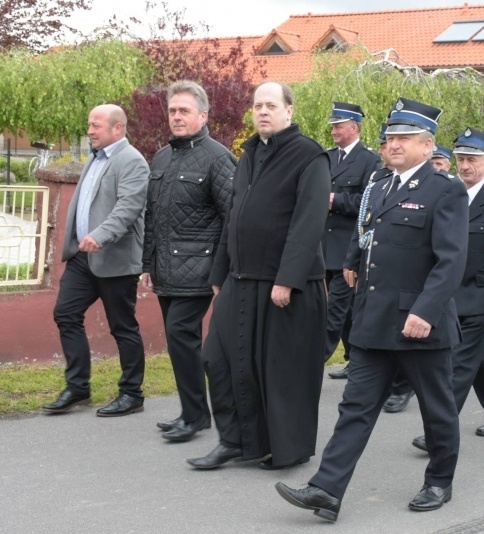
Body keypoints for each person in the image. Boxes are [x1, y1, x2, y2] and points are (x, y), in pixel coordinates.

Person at [275, 98, 468, 521]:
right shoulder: (380, 186)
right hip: (374, 320)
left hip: (420, 323)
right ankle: (326, 489)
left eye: (403, 138)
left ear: (426, 144)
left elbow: (451, 260)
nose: (393, 145)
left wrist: (426, 311)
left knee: (436, 409)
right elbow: (368, 241)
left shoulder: (445, 189)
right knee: (356, 407)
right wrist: (349, 263)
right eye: (389, 138)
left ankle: (439, 480)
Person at [186, 81, 330, 470]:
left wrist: (288, 278)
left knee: (280, 371)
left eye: (271, 105)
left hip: (285, 284)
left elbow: (308, 222)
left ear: (289, 111)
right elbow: (234, 217)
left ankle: (288, 448)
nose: (262, 112)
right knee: (219, 358)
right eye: (257, 106)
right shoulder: (249, 154)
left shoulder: (310, 156)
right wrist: (220, 270)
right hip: (240, 277)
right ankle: (234, 440)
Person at [410, 129, 484, 452]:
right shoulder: (447, 194)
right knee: (477, 359)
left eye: (472, 160)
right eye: (461, 159)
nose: (465, 166)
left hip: (482, 297)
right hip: (450, 295)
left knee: (457, 365)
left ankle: (437, 434)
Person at [141, 81, 236, 441]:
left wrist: (222, 269)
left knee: (182, 336)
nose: (176, 117)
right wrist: (147, 266)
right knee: (179, 339)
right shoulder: (163, 157)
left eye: (184, 111)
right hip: (166, 270)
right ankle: (191, 412)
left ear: (203, 115)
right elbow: (153, 217)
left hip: (200, 269)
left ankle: (196, 416)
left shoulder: (218, 157)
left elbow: (234, 216)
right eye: (172, 111)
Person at [44, 105, 149, 417]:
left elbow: (128, 208)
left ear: (117, 129)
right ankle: (78, 386)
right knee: (65, 313)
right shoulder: (95, 156)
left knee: (122, 327)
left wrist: (100, 235)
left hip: (115, 259)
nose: (89, 131)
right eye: (89, 124)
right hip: (82, 257)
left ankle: (132, 394)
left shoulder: (132, 161)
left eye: (96, 126)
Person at [324, 102, 381, 380]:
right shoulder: (327, 157)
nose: (333, 130)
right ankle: (355, 360)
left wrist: (336, 200)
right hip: (323, 246)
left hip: (349, 247)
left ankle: (311, 362)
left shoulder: (370, 160)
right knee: (344, 310)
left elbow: (370, 202)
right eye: (332, 126)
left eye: (338, 125)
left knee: (334, 308)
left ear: (354, 128)